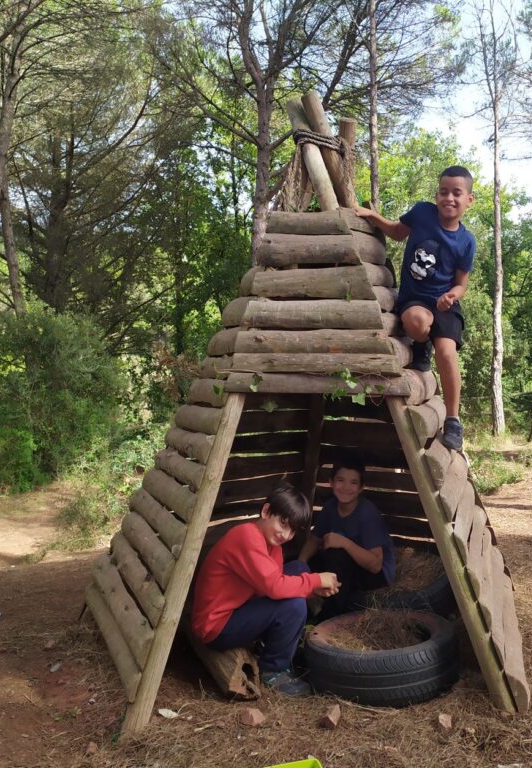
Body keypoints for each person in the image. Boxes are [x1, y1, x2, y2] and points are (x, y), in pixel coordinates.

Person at [354, 165, 476, 451]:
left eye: (457, 193)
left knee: (447, 353)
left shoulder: (466, 241)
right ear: (436, 195)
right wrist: (372, 216)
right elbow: (397, 232)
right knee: (417, 323)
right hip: (415, 300)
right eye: (443, 192)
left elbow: (461, 284)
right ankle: (422, 343)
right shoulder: (422, 213)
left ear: (469, 200)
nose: (449, 198)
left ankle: (453, 419)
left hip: (445, 304)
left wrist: (452, 296)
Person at [191, 482, 340, 696]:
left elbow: (269, 587)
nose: (285, 535)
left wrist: (311, 590)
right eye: (282, 523)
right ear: (266, 511)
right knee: (293, 605)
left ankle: (275, 644)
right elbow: (273, 587)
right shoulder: (246, 536)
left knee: (299, 569)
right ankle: (273, 670)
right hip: (216, 625)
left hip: (241, 607)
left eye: (292, 530)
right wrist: (315, 581)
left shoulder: (273, 546)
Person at [298, 456, 395, 621]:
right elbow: (314, 539)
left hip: (376, 575)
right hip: (347, 566)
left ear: (361, 487)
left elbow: (376, 566)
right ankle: (303, 611)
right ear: (331, 482)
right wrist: (300, 564)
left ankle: (329, 618)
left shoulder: (367, 514)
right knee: (308, 562)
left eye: (353, 482)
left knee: (336, 555)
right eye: (340, 480)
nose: (346, 487)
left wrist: (344, 543)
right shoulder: (330, 507)